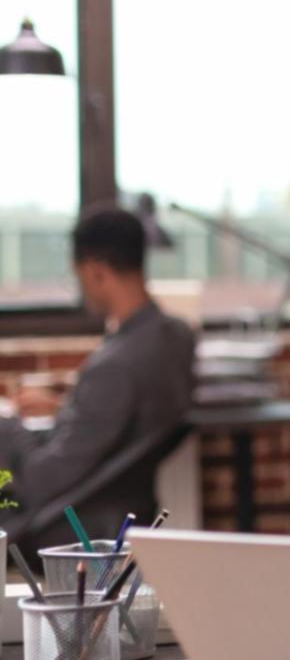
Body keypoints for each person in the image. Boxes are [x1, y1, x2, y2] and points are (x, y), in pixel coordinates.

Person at [0, 207, 196, 550]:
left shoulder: (114, 367)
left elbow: (37, 481)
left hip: (70, 523)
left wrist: (9, 421)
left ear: (96, 271)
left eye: (79, 277)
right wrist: (65, 407)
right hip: (122, 504)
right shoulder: (176, 336)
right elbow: (115, 422)